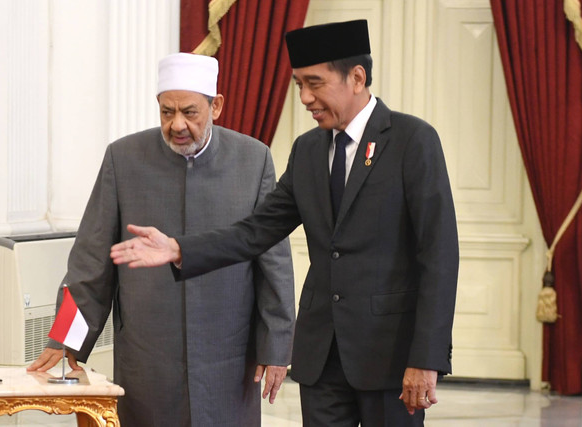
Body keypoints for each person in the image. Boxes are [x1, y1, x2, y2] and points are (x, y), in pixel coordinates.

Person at [111, 20, 459, 426]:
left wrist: (426, 358)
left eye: (314, 83)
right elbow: (255, 231)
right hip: (321, 359)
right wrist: (179, 249)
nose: (305, 97)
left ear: (357, 78)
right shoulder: (308, 149)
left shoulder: (412, 140)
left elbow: (439, 255)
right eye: (298, 85)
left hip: (390, 357)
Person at [28, 52, 295, 427]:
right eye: (167, 112)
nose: (177, 124)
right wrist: (63, 338)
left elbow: (274, 263)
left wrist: (277, 347)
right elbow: (90, 262)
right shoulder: (123, 159)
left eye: (189, 111)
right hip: (147, 353)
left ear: (216, 106)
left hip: (228, 355)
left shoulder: (253, 160)